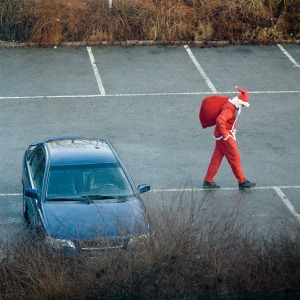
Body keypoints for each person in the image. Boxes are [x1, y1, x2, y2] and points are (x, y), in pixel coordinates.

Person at [203, 86, 256, 190]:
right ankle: (241, 181)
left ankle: (208, 180)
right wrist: (226, 135)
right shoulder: (230, 109)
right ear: (239, 102)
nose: (243, 107)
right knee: (235, 157)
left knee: (216, 158)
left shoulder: (232, 105)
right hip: (225, 136)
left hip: (221, 136)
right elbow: (220, 120)